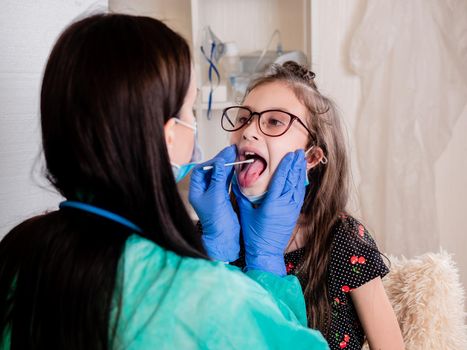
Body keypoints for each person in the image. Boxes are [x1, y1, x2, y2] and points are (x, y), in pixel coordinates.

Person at [0, 15, 329, 349]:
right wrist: (265, 264)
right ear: (167, 135)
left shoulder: (18, 248)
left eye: (274, 121)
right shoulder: (203, 294)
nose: (249, 130)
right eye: (190, 112)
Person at [190, 61, 404, 350]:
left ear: (311, 158)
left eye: (274, 121)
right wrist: (215, 259)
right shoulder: (211, 231)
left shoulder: (342, 239)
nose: (248, 131)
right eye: (243, 118)